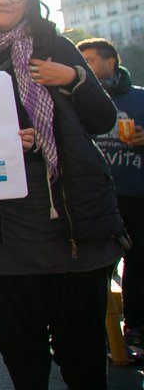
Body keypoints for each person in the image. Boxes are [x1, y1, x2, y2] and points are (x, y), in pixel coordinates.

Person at [0, 0, 124, 388]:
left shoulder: (53, 45)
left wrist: (75, 77)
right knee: (22, 356)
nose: (5, 0)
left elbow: (102, 119)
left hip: (69, 222)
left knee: (83, 356)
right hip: (0, 232)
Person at [78, 37, 144, 358]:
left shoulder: (139, 98)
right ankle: (96, 335)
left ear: (111, 62)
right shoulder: (76, 100)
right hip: (95, 200)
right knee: (95, 268)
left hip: (136, 197)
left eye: (90, 60)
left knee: (139, 265)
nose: (85, 66)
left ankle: (135, 329)